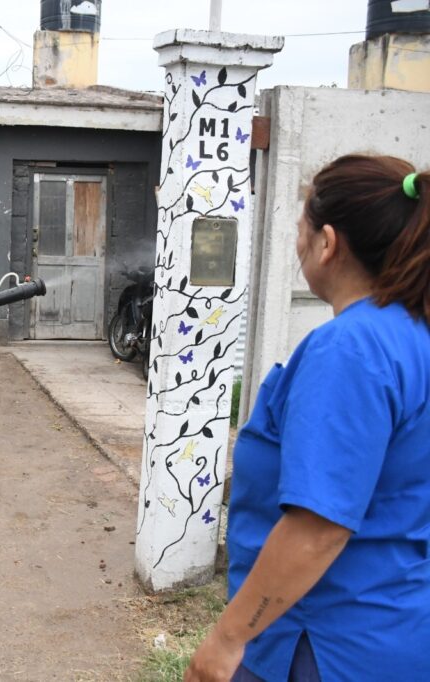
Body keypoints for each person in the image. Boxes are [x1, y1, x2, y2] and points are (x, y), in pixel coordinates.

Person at [185, 154, 430, 682]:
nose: (297, 246)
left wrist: (228, 639)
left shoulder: (352, 350)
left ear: (328, 242)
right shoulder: (413, 334)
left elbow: (319, 527)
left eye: (301, 230)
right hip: (396, 628)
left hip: (322, 643)